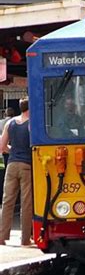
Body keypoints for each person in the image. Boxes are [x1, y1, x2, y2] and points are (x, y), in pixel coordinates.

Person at [0, 98, 32, 246]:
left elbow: (2, 146)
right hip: (27, 166)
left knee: (7, 201)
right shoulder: (32, 124)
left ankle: (1, 236)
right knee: (26, 203)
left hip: (12, 165)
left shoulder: (10, 123)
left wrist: (14, 150)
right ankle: (25, 239)